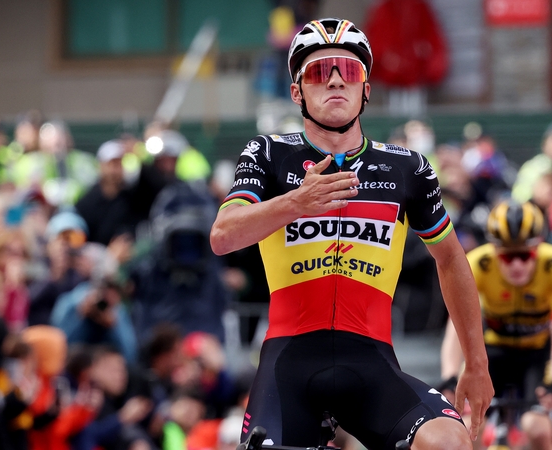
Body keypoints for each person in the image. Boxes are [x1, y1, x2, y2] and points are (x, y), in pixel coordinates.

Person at [210, 17, 491, 450]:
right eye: (320, 72)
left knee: (448, 442)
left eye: (350, 71)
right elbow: (223, 236)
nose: (336, 80)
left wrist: (476, 361)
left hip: (371, 361)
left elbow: (451, 258)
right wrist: (295, 203)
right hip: (289, 364)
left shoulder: (408, 168)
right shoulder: (267, 153)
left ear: (366, 90)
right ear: (297, 92)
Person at [441, 200, 552, 450]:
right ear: (494, 251)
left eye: (525, 255)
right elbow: (455, 329)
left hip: (536, 356)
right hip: (493, 354)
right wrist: (450, 376)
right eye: (507, 256)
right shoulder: (477, 264)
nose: (516, 265)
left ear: (538, 247)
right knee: (467, 428)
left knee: (538, 429)